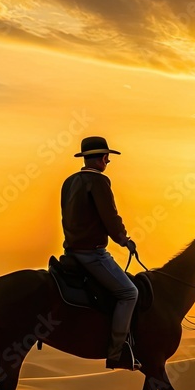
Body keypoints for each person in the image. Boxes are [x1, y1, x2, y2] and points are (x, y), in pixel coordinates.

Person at [61, 136, 139, 370]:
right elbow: (110, 217)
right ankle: (117, 352)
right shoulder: (100, 182)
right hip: (92, 254)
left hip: (71, 251)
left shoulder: (69, 181)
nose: (107, 162)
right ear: (104, 157)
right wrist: (124, 239)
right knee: (129, 293)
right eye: (107, 158)